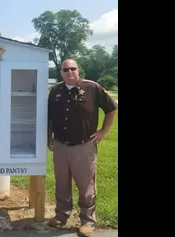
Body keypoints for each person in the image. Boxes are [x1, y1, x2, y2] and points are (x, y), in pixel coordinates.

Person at [47, 59, 117, 237]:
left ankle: (87, 220)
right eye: (66, 69)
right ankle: (62, 215)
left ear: (78, 70)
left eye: (73, 69)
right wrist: (49, 138)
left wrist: (103, 131)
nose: (70, 72)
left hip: (84, 146)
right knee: (61, 183)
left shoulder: (92, 88)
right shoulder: (55, 91)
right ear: (61, 72)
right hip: (61, 146)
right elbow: (50, 118)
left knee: (86, 185)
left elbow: (111, 108)